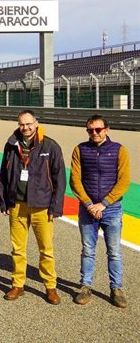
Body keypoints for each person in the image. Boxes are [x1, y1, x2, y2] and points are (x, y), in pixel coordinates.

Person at [0, 110, 65, 305]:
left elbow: (59, 178)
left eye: (29, 124)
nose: (25, 128)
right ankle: (18, 284)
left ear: (36, 124)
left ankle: (50, 286)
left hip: (42, 205)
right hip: (17, 205)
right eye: (22, 124)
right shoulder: (11, 144)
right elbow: (4, 175)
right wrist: (4, 201)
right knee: (18, 249)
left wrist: (55, 207)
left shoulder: (50, 146)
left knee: (46, 249)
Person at [70, 114, 131, 308]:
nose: (94, 133)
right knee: (88, 250)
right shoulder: (80, 149)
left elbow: (124, 181)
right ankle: (85, 286)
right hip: (87, 209)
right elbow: (75, 180)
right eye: (90, 130)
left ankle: (116, 288)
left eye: (98, 129)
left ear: (107, 129)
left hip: (111, 208)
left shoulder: (119, 150)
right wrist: (89, 204)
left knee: (114, 251)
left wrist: (104, 203)